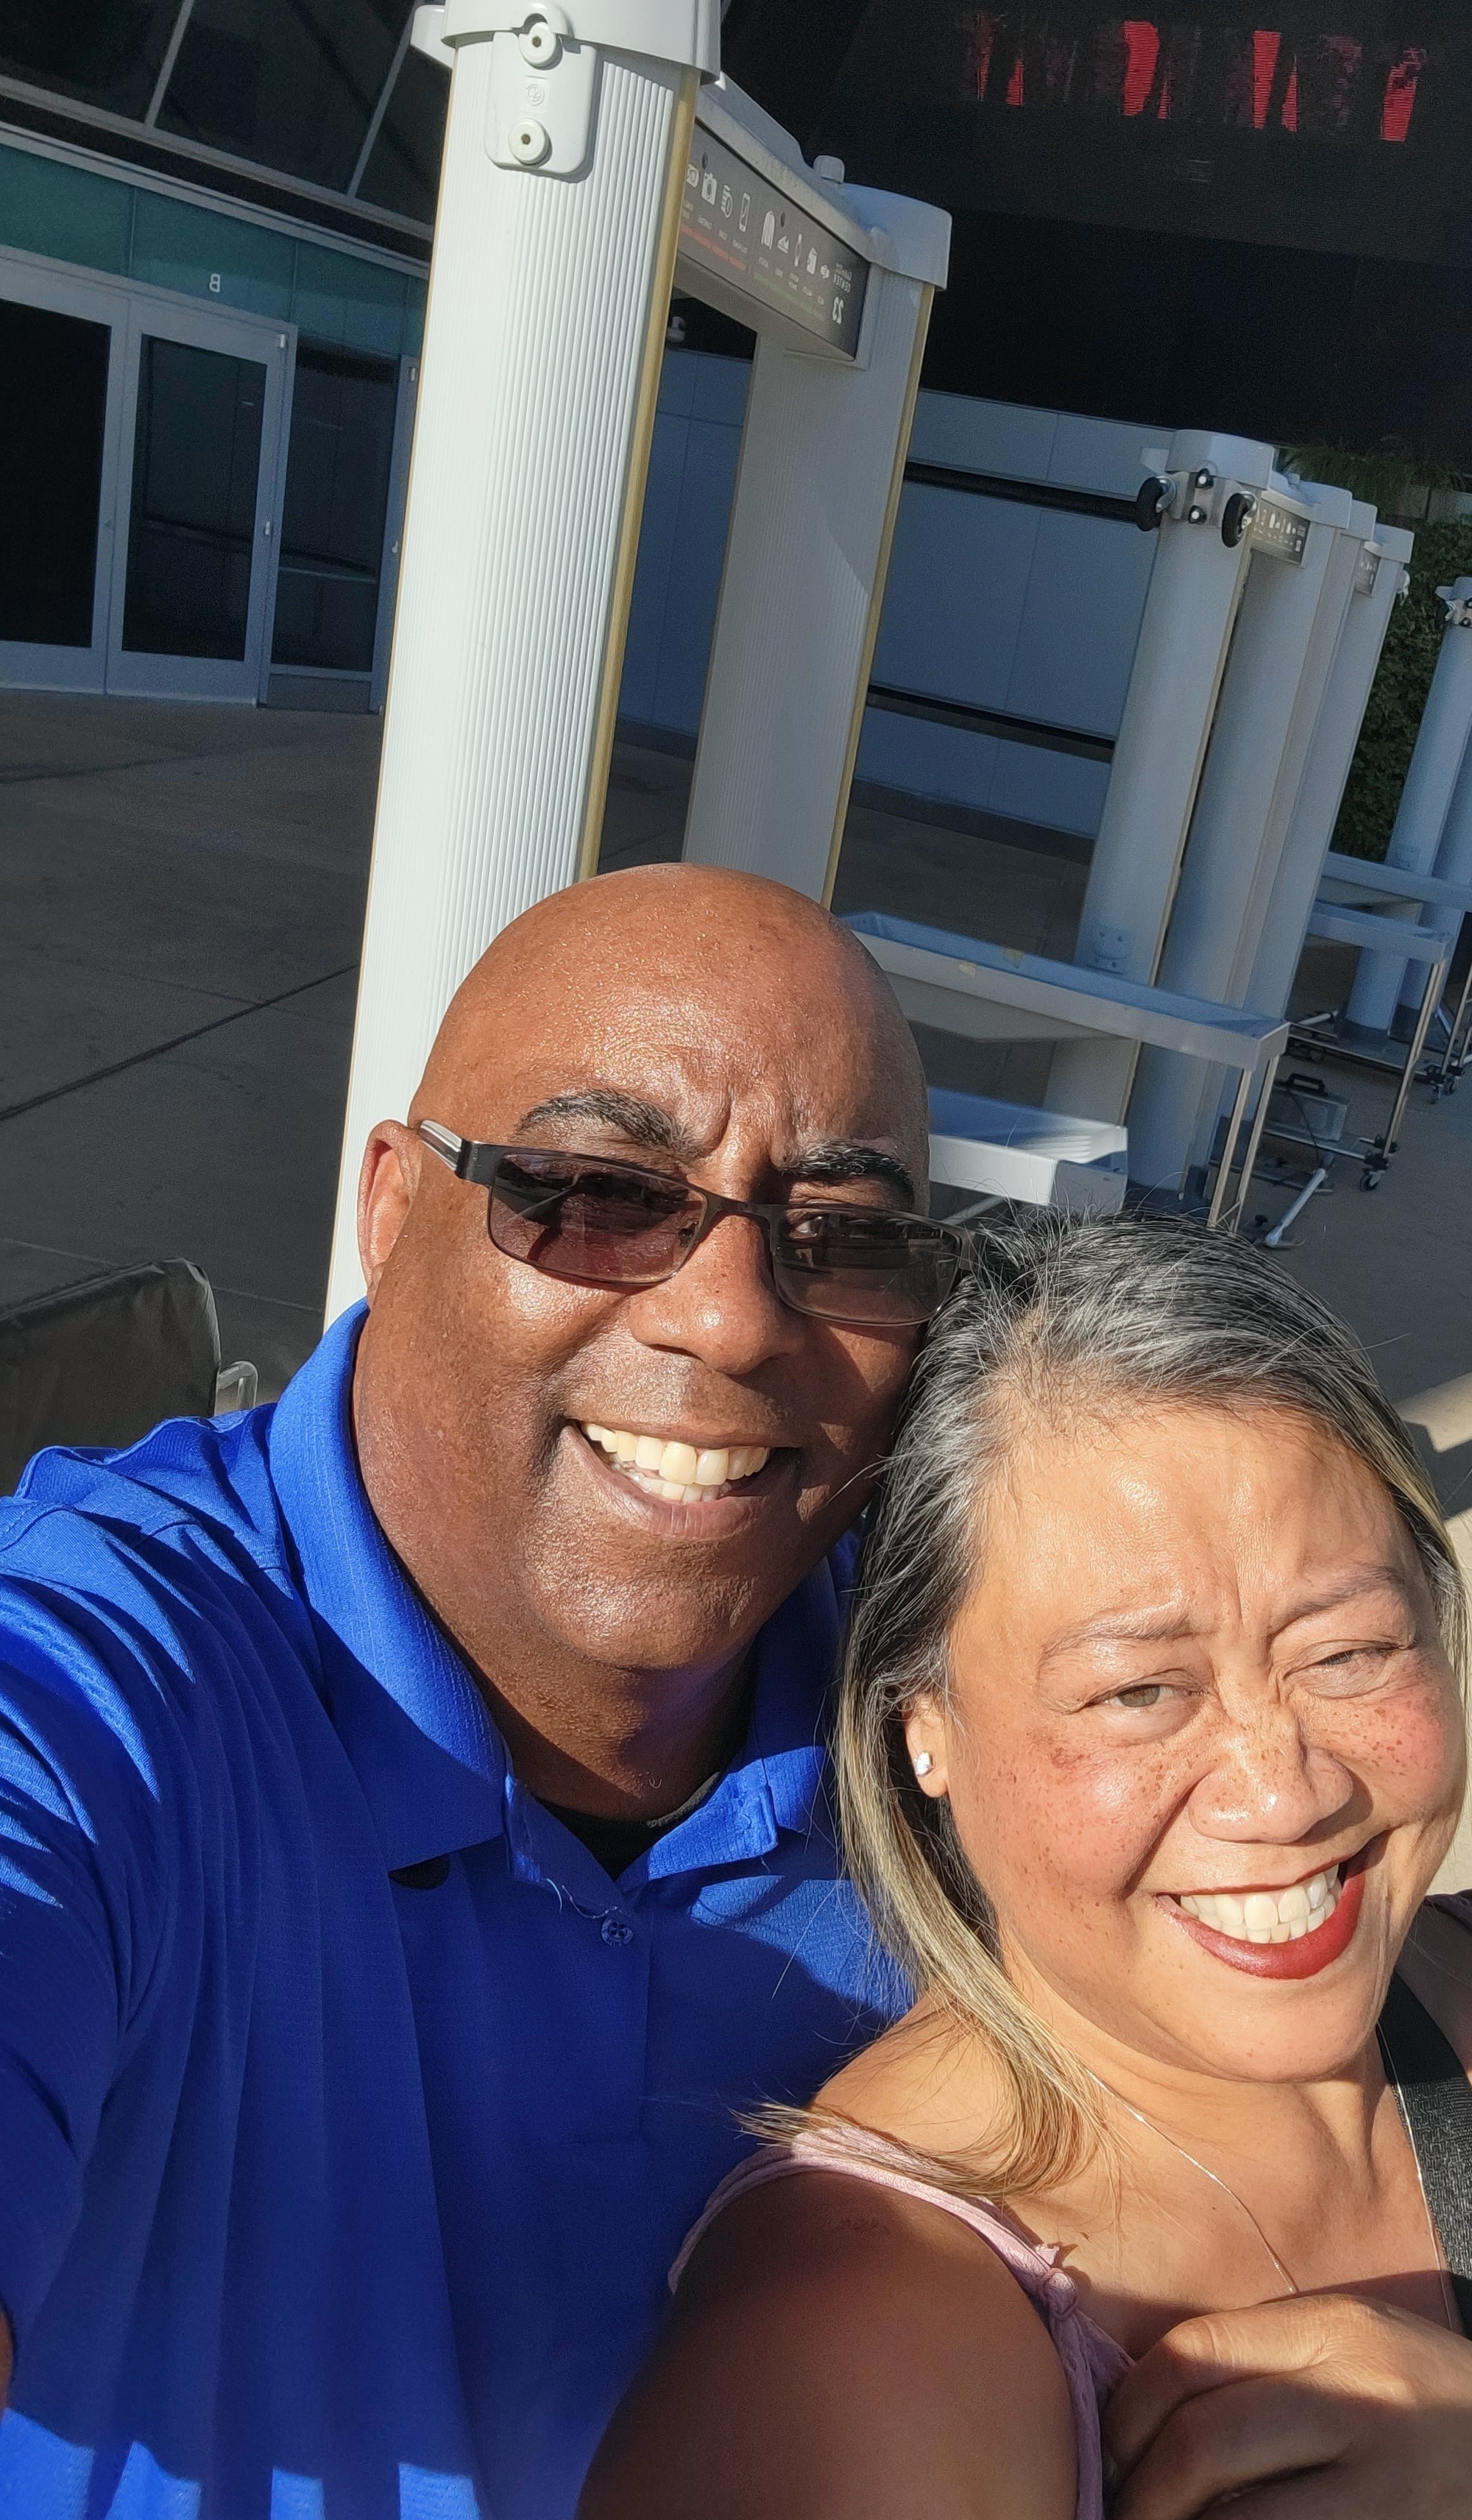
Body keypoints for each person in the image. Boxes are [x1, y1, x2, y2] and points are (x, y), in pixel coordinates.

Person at [587, 1217, 1472, 2520]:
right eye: (1140, 1689)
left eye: (1349, 1652)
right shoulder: (859, 2344)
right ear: (924, 1728)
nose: (1284, 1788)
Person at [0, 865, 968, 2519]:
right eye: (598, 1194)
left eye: (843, 1238)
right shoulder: (116, 1671)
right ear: (390, 1208)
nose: (732, 1319)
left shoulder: (969, 1712)